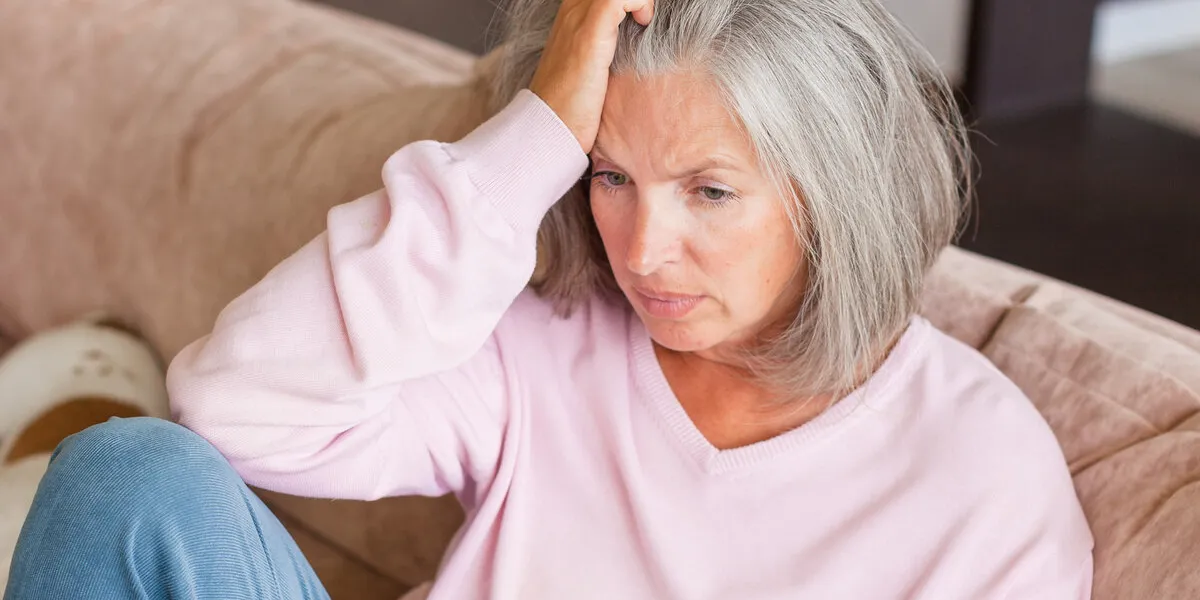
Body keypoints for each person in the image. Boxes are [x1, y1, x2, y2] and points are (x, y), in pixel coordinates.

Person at [4, 0, 1094, 598]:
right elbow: (232, 409)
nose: (644, 249)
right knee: (125, 473)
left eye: (709, 192)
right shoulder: (543, 342)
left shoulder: (980, 480)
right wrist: (532, 143)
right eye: (610, 175)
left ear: (837, 199)